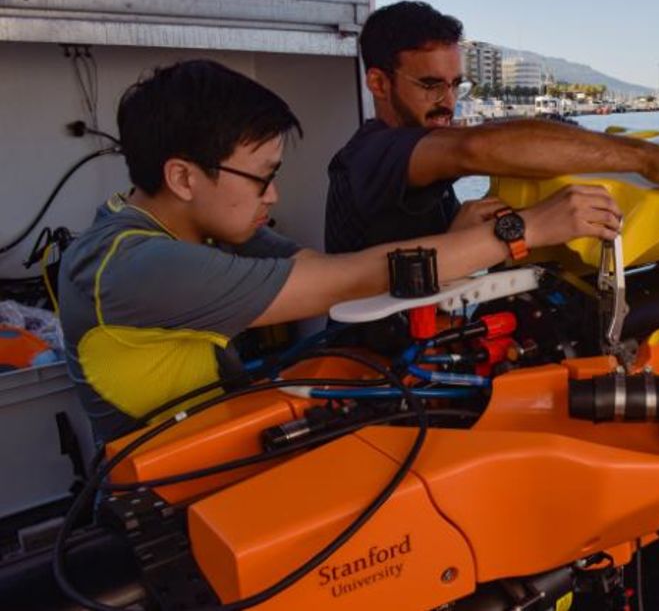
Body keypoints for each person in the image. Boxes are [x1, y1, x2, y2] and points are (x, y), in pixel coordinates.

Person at [58, 59, 622, 442]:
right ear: (183, 177)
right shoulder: (137, 268)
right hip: (168, 504)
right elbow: (342, 283)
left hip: (213, 450)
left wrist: (459, 240)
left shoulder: (178, 224)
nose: (274, 195)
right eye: (261, 178)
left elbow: (329, 270)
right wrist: (522, 230)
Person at [325, 0, 659, 256]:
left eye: (455, 85)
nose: (447, 101)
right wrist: (647, 159)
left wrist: (455, 235)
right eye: (430, 85)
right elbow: (473, 149)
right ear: (378, 83)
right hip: (367, 370)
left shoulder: (413, 153)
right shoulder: (372, 152)